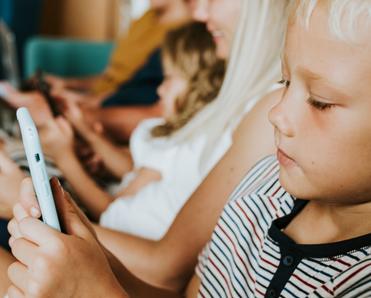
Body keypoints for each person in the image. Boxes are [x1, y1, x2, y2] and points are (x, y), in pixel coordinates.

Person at [6, 0, 371, 297]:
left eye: (320, 102)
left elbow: (163, 268)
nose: (276, 113)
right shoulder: (261, 191)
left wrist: (95, 291)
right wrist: (97, 265)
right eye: (284, 82)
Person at [38, 22, 226, 240]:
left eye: (169, 78)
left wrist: (65, 158)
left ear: (199, 84)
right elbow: (136, 170)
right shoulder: (185, 137)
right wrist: (88, 132)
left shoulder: (181, 146)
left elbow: (109, 211)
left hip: (112, 231)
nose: (160, 89)